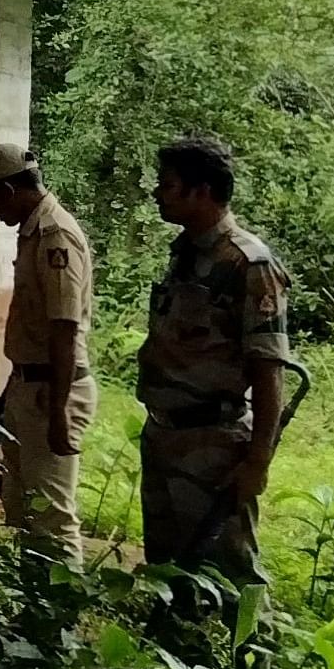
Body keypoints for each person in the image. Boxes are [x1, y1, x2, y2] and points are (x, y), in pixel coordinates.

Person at [134, 134, 292, 578]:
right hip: (164, 437)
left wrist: (257, 463)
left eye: (167, 185)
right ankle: (184, 648)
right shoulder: (185, 253)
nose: (156, 194)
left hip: (214, 446)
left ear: (201, 191)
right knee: (169, 572)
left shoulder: (249, 264)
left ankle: (251, 648)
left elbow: (268, 369)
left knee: (230, 572)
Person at [0, 141, 95, 560]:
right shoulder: (33, 232)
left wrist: (58, 410)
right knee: (23, 510)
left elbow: (64, 327)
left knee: (53, 519)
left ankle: (59, 619)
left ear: (8, 189)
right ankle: (32, 611)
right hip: (30, 386)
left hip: (52, 390)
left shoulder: (54, 235)